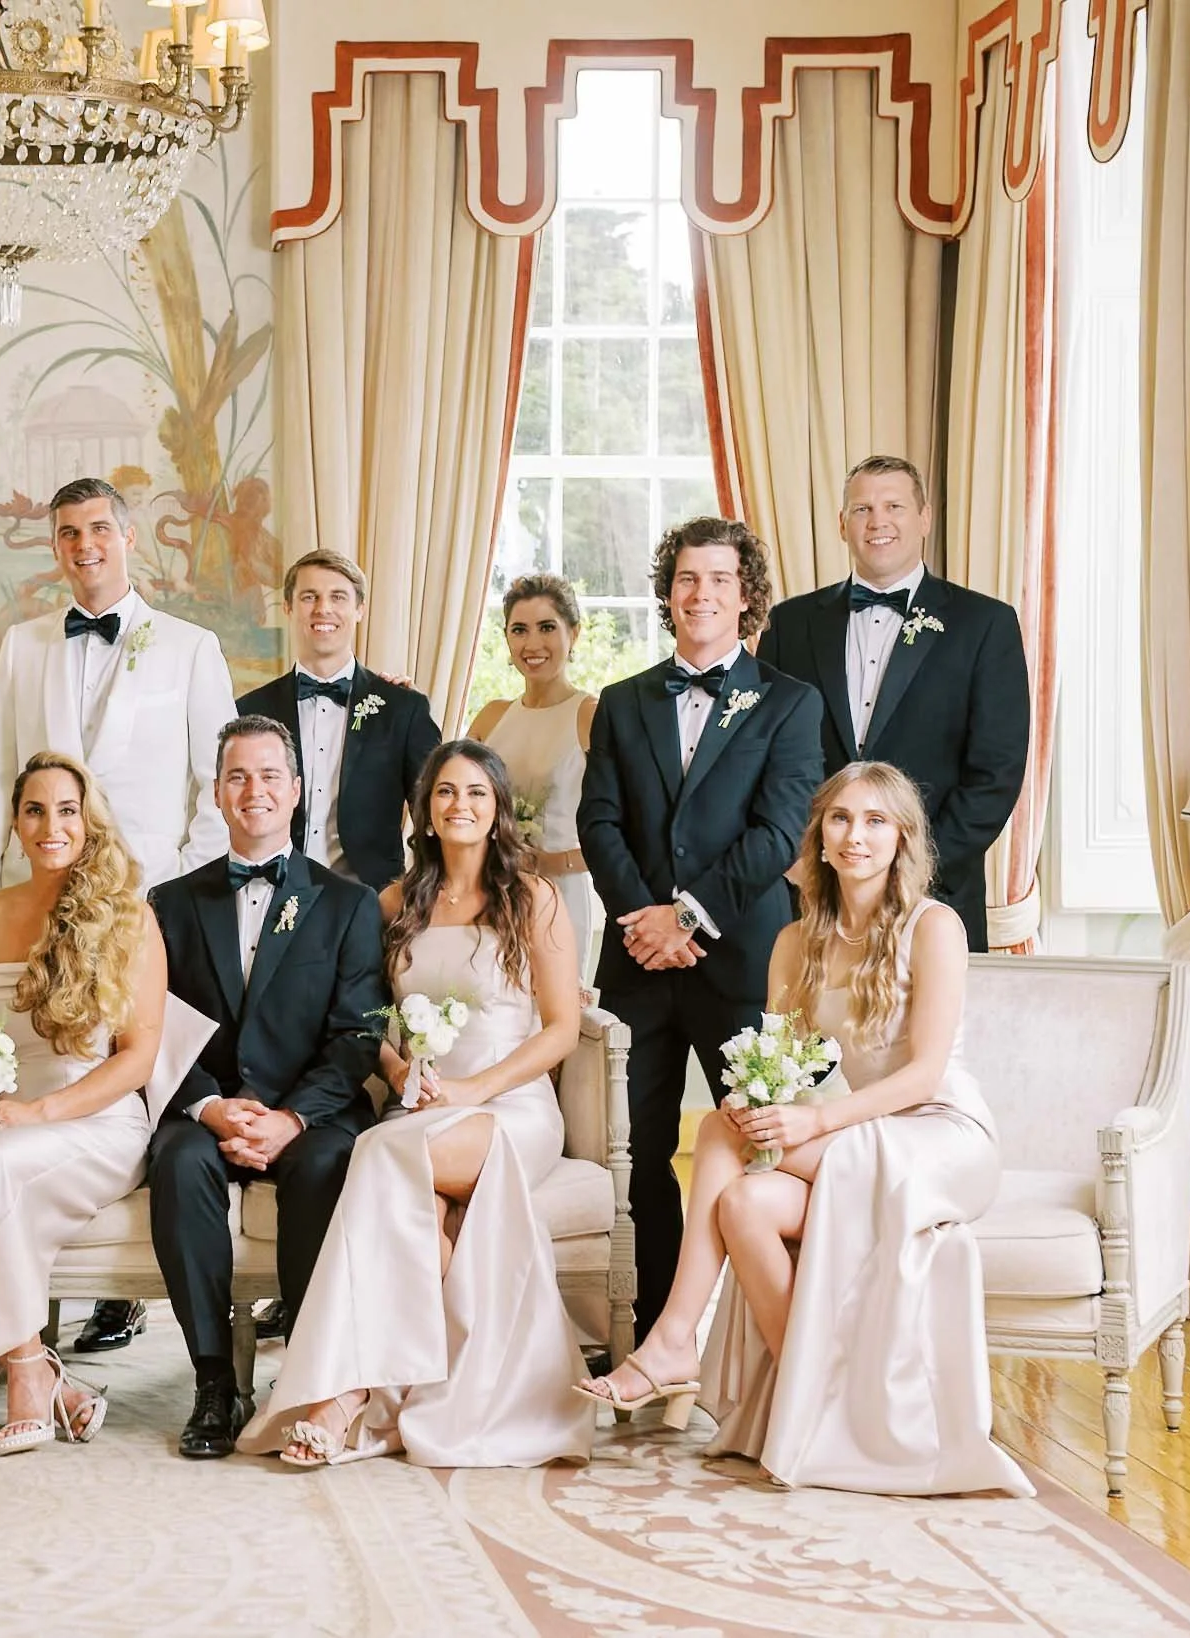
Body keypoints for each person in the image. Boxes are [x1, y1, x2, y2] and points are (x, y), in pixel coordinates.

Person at [582, 764, 1032, 1497]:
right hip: (856, 1138)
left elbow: (920, 1077)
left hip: (941, 1136)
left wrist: (811, 1120)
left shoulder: (934, 926)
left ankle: (672, 1339)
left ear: (902, 838)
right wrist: (759, 1104)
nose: (857, 836)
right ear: (819, 835)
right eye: (842, 819)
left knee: (725, 1146)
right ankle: (816, 1399)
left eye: (877, 821)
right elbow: (784, 1070)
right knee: (743, 1200)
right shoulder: (796, 942)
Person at [241, 740, 593, 1469]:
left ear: (497, 810)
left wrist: (473, 1090)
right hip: (423, 1107)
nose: (459, 806)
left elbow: (561, 1029)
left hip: (509, 1109)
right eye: (444, 793)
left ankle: (345, 1394)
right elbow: (372, 1027)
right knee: (415, 1204)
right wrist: (404, 1072)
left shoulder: (534, 898)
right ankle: (437, 1387)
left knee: (378, 1156)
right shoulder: (394, 903)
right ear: (424, 810)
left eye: (475, 794)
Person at [0, 475, 235, 1356]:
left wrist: (158, 900)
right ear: (56, 547)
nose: (84, 546)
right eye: (68, 533)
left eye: (99, 530)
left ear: (128, 539)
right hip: (41, 899)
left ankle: (124, 1293)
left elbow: (214, 786)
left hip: (150, 907)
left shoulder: (192, 648)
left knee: (139, 1073)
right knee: (49, 1061)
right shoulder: (24, 645)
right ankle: (31, 1306)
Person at [0, 753, 191, 1454]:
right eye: (35, 810)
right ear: (15, 823)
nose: (51, 825)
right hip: (3, 1119)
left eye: (67, 810)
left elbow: (137, 1060)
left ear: (89, 821)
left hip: (95, 1122)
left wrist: (36, 1115)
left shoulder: (129, 919)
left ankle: (27, 1377)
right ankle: (48, 1377)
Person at [577, 517, 823, 1324]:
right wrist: (644, 921)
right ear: (667, 592)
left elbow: (780, 830)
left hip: (743, 963)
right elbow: (599, 823)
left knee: (764, 1151)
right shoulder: (621, 702)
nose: (701, 594)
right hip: (635, 966)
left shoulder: (791, 705)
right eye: (687, 579)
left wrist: (686, 916)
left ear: (746, 594)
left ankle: (764, 1345)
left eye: (720, 579)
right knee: (636, 1153)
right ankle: (654, 1339)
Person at [147, 716, 388, 1458]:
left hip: (309, 1113)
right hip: (209, 1105)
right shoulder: (171, 903)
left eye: (269, 776)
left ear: (296, 791)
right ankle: (215, 1378)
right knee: (178, 1161)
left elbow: (358, 1035)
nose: (254, 791)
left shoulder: (347, 904)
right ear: (217, 793)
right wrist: (211, 1107)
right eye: (238, 777)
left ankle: (308, 1377)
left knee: (326, 1165)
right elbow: (153, 1027)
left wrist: (290, 1118)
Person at [760, 455, 1031, 952]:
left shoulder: (985, 624)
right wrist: (809, 865)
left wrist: (912, 868)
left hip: (936, 899)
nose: (877, 521)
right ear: (842, 524)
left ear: (924, 518)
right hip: (814, 899)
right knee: (808, 1030)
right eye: (862, 508)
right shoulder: (789, 625)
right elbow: (768, 761)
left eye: (894, 506)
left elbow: (996, 771)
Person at [234, 548, 440, 888]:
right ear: (288, 607)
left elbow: (435, 808)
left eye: (338, 597)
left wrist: (421, 890)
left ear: (359, 609)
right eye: (309, 596)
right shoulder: (248, 710)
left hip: (373, 899)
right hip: (271, 892)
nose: (323, 609)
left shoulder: (403, 708)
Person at [470, 574, 599, 962]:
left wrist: (553, 862)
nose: (532, 643)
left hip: (559, 894)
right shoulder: (492, 716)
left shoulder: (590, 715)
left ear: (572, 634)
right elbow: (449, 794)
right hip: (488, 891)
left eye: (547, 628)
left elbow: (627, 823)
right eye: (519, 630)